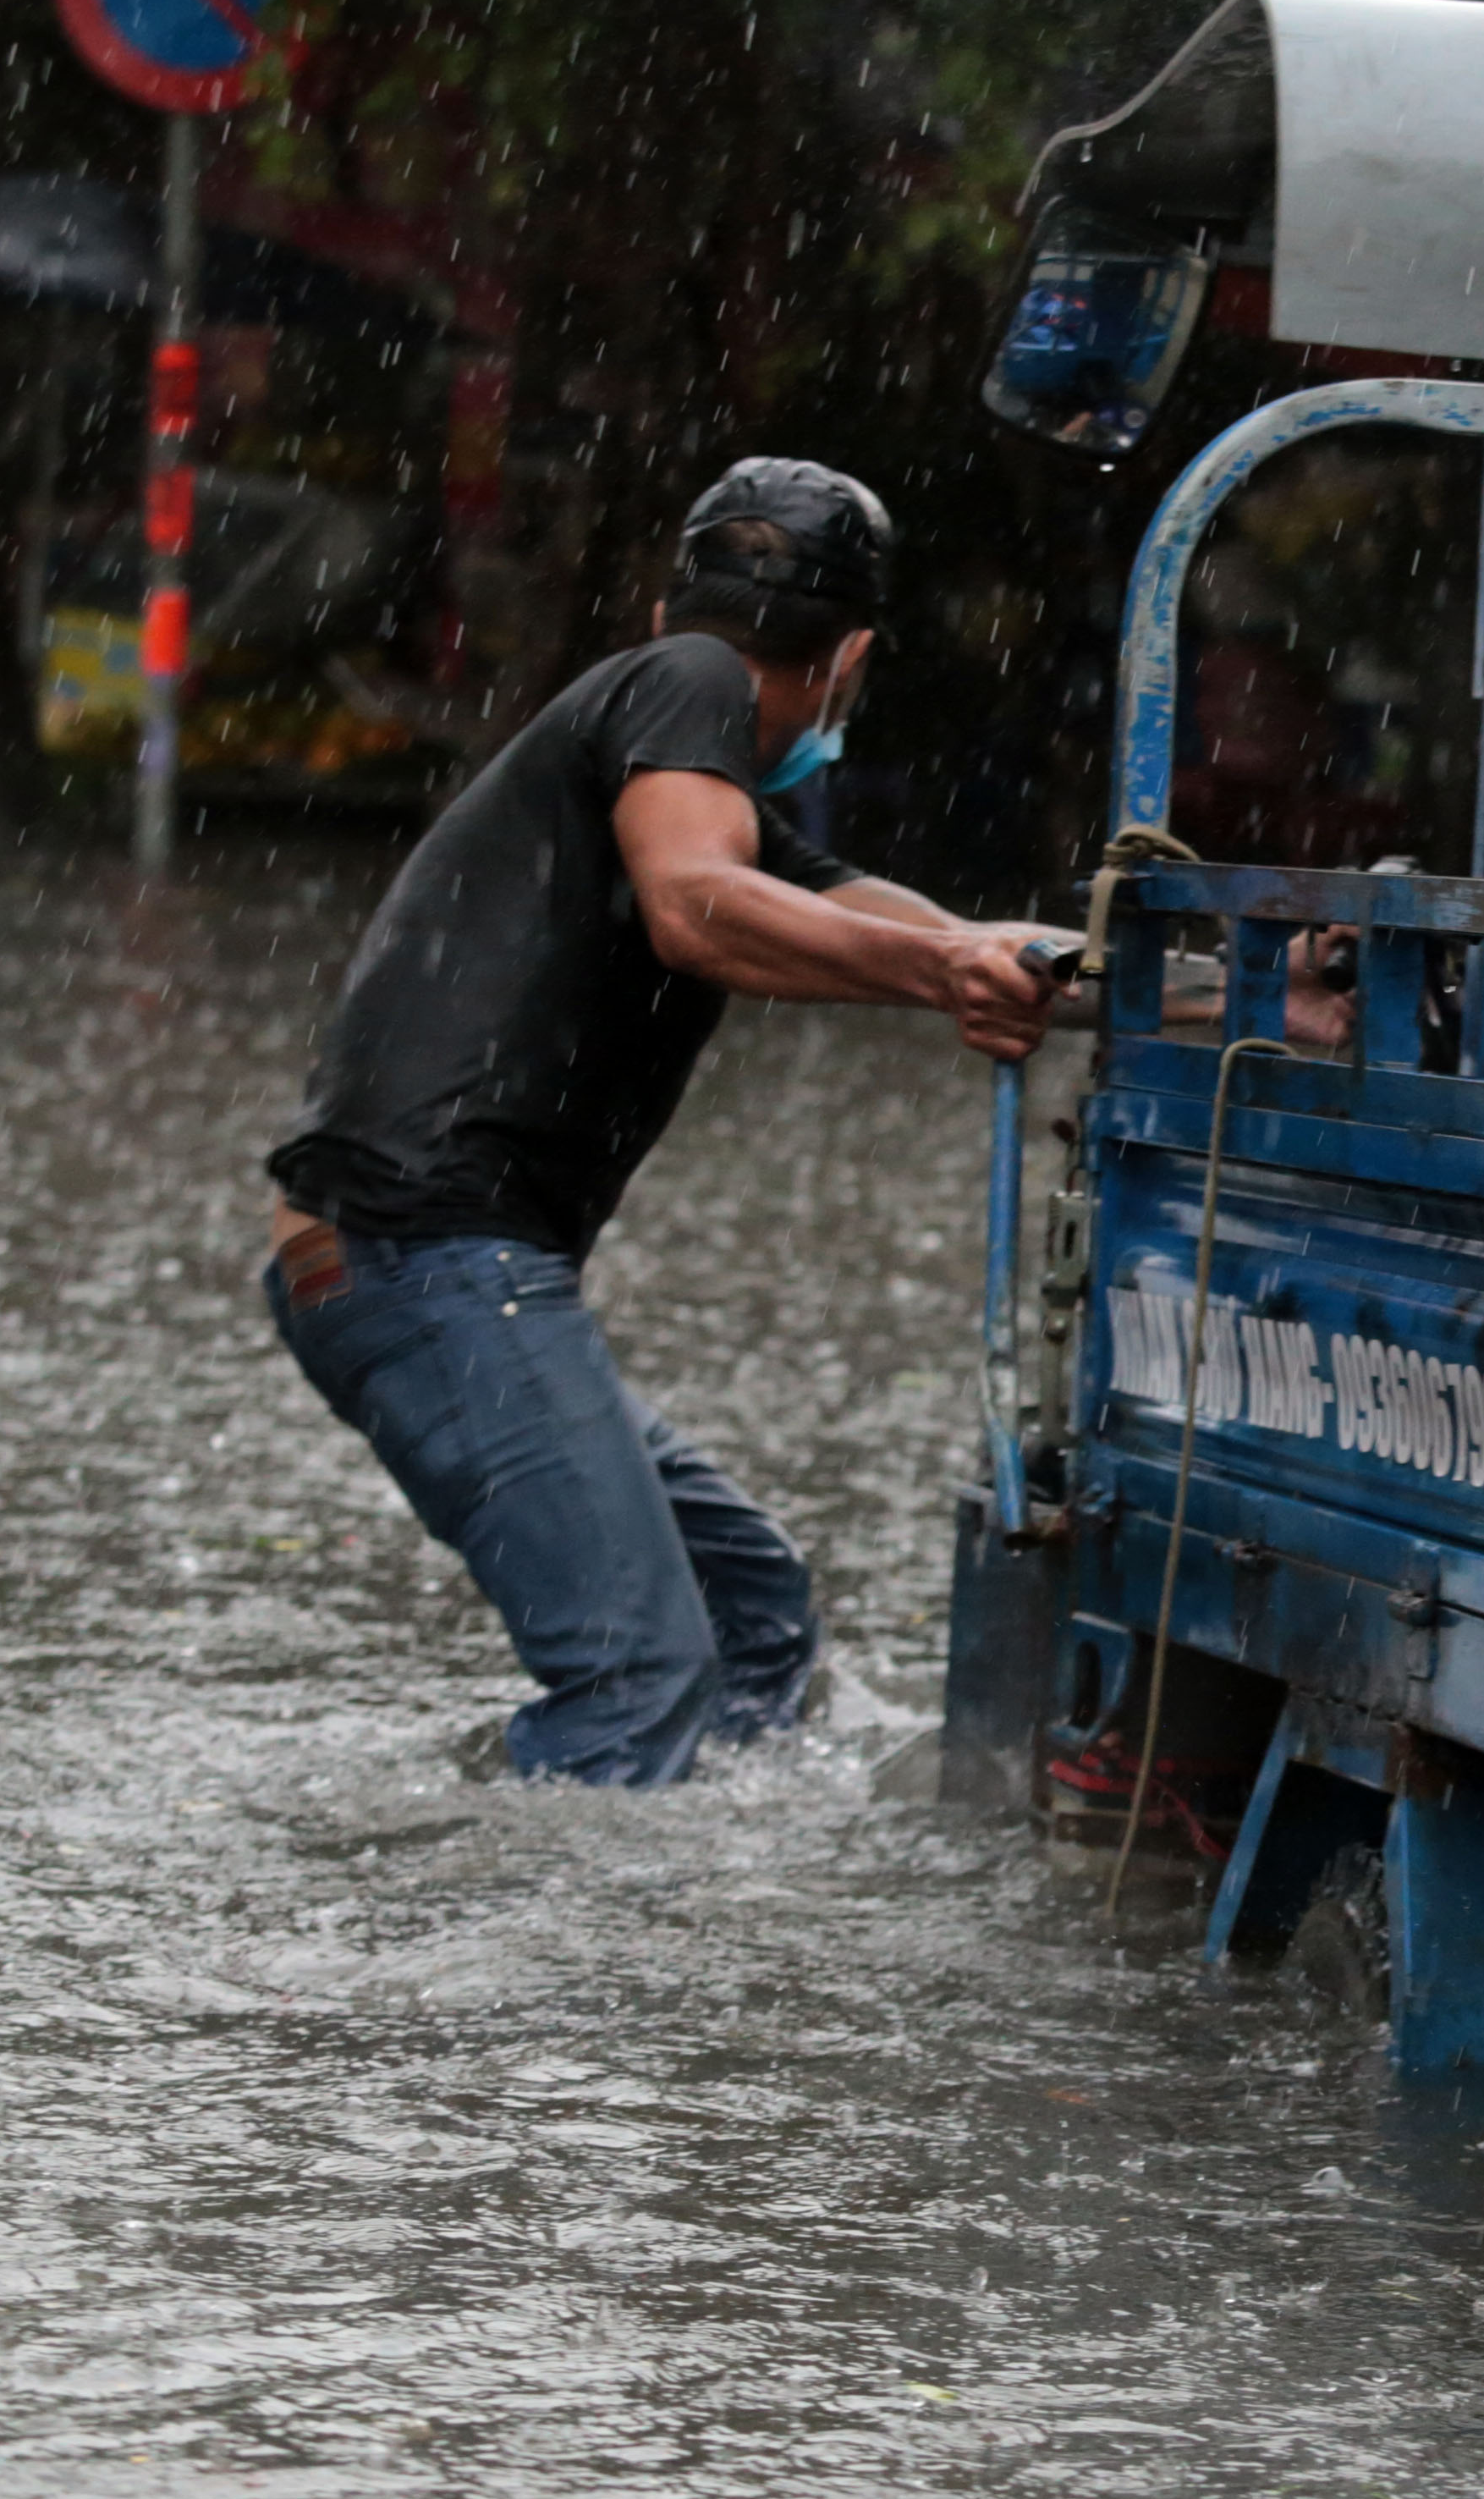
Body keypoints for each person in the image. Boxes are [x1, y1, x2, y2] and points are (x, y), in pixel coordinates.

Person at [261, 459, 1067, 1781]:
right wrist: (943, 975)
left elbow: (939, 932)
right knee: (641, 1678)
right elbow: (701, 911)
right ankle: (539, 1967)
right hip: (424, 1252)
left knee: (755, 1623)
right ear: (852, 654)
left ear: (664, 601)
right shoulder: (689, 690)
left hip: (376, 1258)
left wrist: (1180, 988)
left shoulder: (678, 770)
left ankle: (623, 1849)